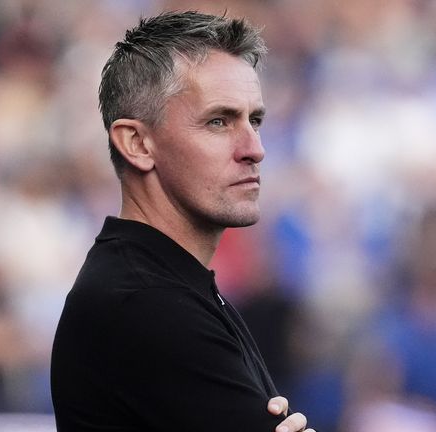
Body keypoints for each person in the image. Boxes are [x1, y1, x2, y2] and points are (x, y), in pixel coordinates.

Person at [50, 10, 313, 432]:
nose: (255, 148)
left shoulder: (167, 286)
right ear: (137, 143)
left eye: (256, 120)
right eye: (218, 121)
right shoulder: (145, 302)